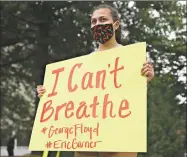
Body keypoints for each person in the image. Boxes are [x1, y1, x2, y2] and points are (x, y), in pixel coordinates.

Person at [36, 4, 154, 157]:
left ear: (116, 24)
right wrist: (48, 95)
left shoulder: (131, 58)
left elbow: (131, 97)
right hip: (86, 138)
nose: (98, 24)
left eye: (103, 19)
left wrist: (145, 81)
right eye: (94, 21)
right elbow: (71, 99)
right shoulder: (81, 65)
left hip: (118, 136)